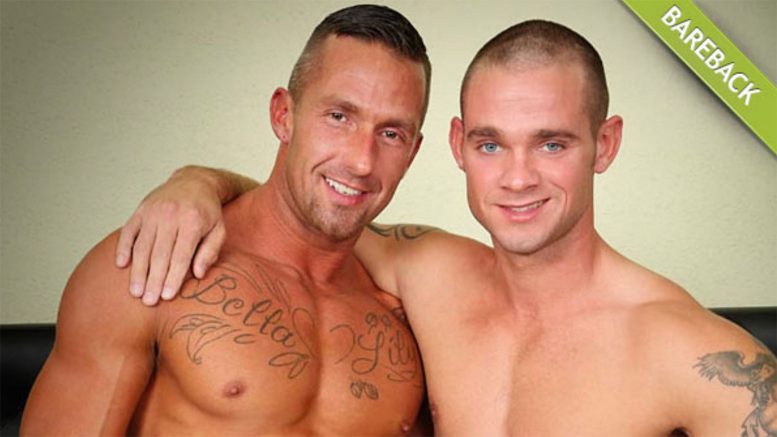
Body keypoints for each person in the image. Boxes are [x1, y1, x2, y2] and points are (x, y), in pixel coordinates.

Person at [119, 19, 777, 437]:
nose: (516, 178)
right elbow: (308, 204)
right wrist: (195, 184)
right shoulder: (430, 272)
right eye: (491, 144)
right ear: (458, 145)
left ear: (603, 145)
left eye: (551, 144)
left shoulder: (688, 352)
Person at [21, 5, 433, 436]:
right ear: (284, 115)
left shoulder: (410, 318)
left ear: (412, 153)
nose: (362, 161)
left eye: (391, 134)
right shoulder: (152, 266)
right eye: (338, 116)